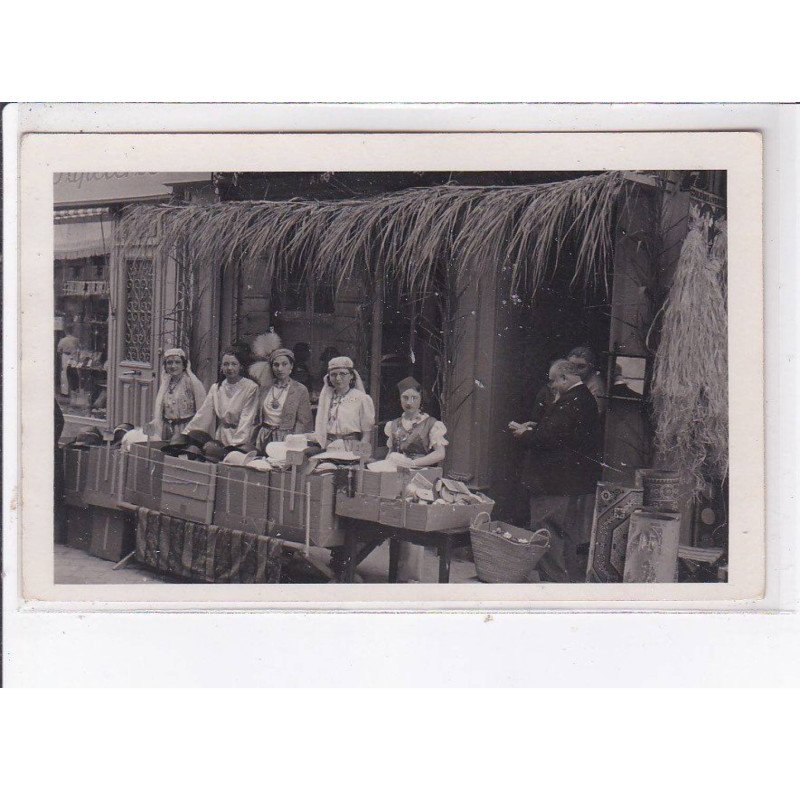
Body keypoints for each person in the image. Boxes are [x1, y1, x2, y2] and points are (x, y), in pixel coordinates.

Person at [512, 359, 602, 582]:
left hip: (552, 480)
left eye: (553, 381)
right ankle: (567, 579)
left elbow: (549, 439)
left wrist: (524, 434)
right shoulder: (582, 399)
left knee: (546, 529)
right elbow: (562, 433)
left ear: (565, 378)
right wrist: (537, 427)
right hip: (567, 480)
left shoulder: (571, 402)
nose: (550, 385)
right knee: (565, 532)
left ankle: (553, 580)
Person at [385, 376, 449, 581]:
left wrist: (415, 463)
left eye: (414, 397)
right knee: (394, 523)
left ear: (421, 399)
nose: (409, 402)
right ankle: (395, 574)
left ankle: (410, 577)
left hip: (420, 478)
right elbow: (390, 453)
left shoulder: (432, 424)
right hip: (396, 477)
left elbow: (440, 454)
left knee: (413, 525)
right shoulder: (393, 425)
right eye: (405, 397)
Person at [184, 348, 259, 449]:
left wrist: (236, 446)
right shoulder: (216, 388)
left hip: (242, 438)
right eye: (226, 364)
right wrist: (186, 435)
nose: (229, 368)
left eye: (234, 364)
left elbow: (247, 418)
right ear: (221, 367)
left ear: (241, 366)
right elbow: (203, 414)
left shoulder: (250, 387)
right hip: (221, 437)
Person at [254, 347, 314, 453]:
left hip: (287, 439)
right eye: (276, 365)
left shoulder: (300, 389)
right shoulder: (264, 387)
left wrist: (294, 445)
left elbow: (304, 422)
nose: (280, 369)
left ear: (291, 366)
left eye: (284, 364)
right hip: (264, 437)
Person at [314, 355, 375, 452]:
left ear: (351, 376)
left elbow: (366, 433)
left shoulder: (361, 398)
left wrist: (360, 451)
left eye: (342, 374)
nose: (338, 378)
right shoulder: (326, 398)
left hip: (351, 446)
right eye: (333, 374)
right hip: (329, 445)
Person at [148, 347, 207, 440]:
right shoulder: (166, 383)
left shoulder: (191, 382)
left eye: (177, 362)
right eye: (169, 363)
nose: (173, 366)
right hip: (167, 428)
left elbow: (202, 408)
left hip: (186, 428)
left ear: (184, 365)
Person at [567, 346, 607, 415]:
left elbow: (596, 413)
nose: (575, 371)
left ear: (590, 366)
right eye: (571, 366)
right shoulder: (573, 380)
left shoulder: (595, 386)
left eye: (581, 367)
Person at [57, 326, 80, 396]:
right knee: (75, 373)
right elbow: (79, 348)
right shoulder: (76, 340)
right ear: (73, 331)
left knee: (64, 373)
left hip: (65, 356)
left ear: (66, 332)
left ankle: (65, 392)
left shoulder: (63, 340)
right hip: (74, 356)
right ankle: (75, 390)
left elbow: (59, 350)